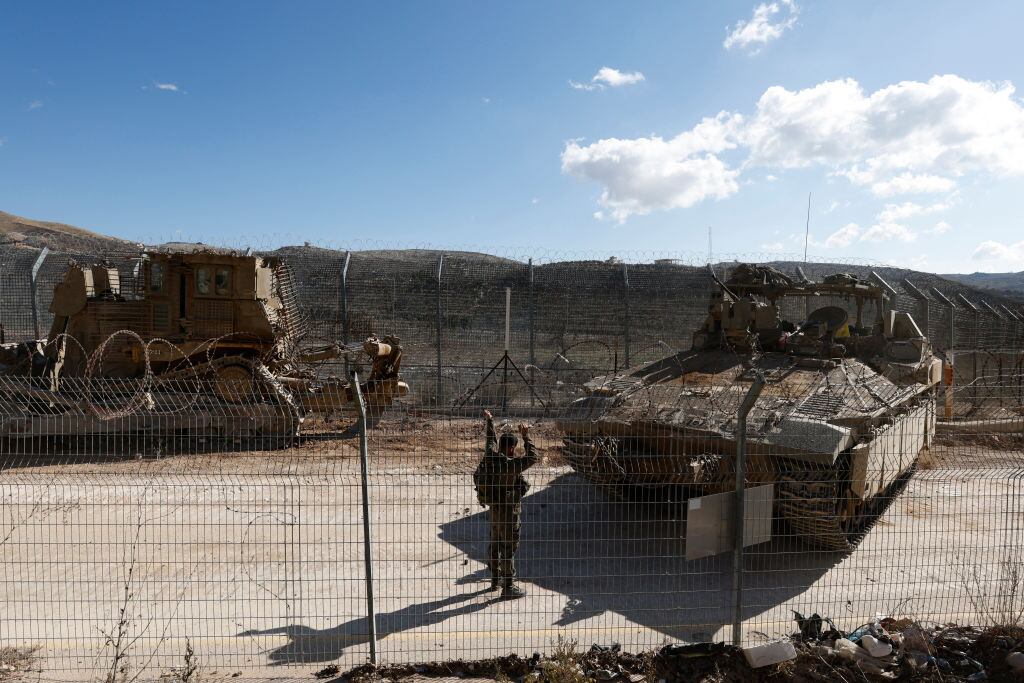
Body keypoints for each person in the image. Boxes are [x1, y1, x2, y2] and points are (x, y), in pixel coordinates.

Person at [473, 409, 539, 600]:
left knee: (495, 543)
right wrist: (526, 436)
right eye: (515, 448)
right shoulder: (511, 465)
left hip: (494, 510)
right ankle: (508, 586)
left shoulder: (490, 458)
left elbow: (489, 441)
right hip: (509, 512)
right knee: (508, 548)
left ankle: (495, 579)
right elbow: (533, 457)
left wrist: (490, 421)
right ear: (510, 449)